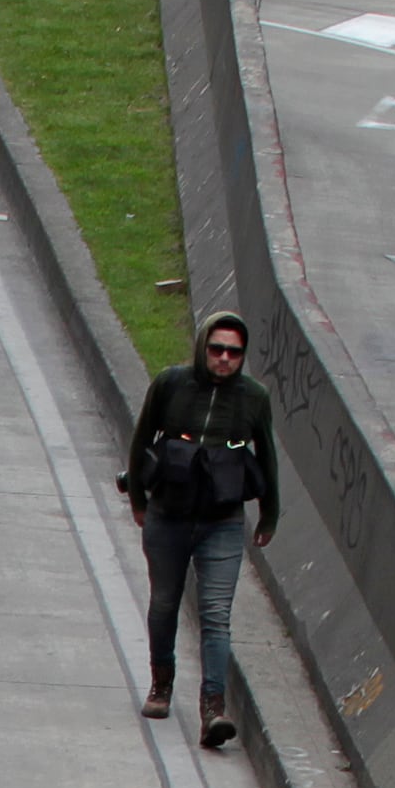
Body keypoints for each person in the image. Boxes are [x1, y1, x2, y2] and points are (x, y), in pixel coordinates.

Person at [126, 309, 278, 748]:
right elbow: (141, 442)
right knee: (164, 604)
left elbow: (266, 457)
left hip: (222, 523)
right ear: (202, 348)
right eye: (217, 349)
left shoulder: (254, 398)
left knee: (216, 615)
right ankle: (161, 682)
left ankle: (213, 707)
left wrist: (269, 514)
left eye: (234, 352)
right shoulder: (171, 384)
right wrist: (139, 500)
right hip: (168, 517)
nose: (225, 358)